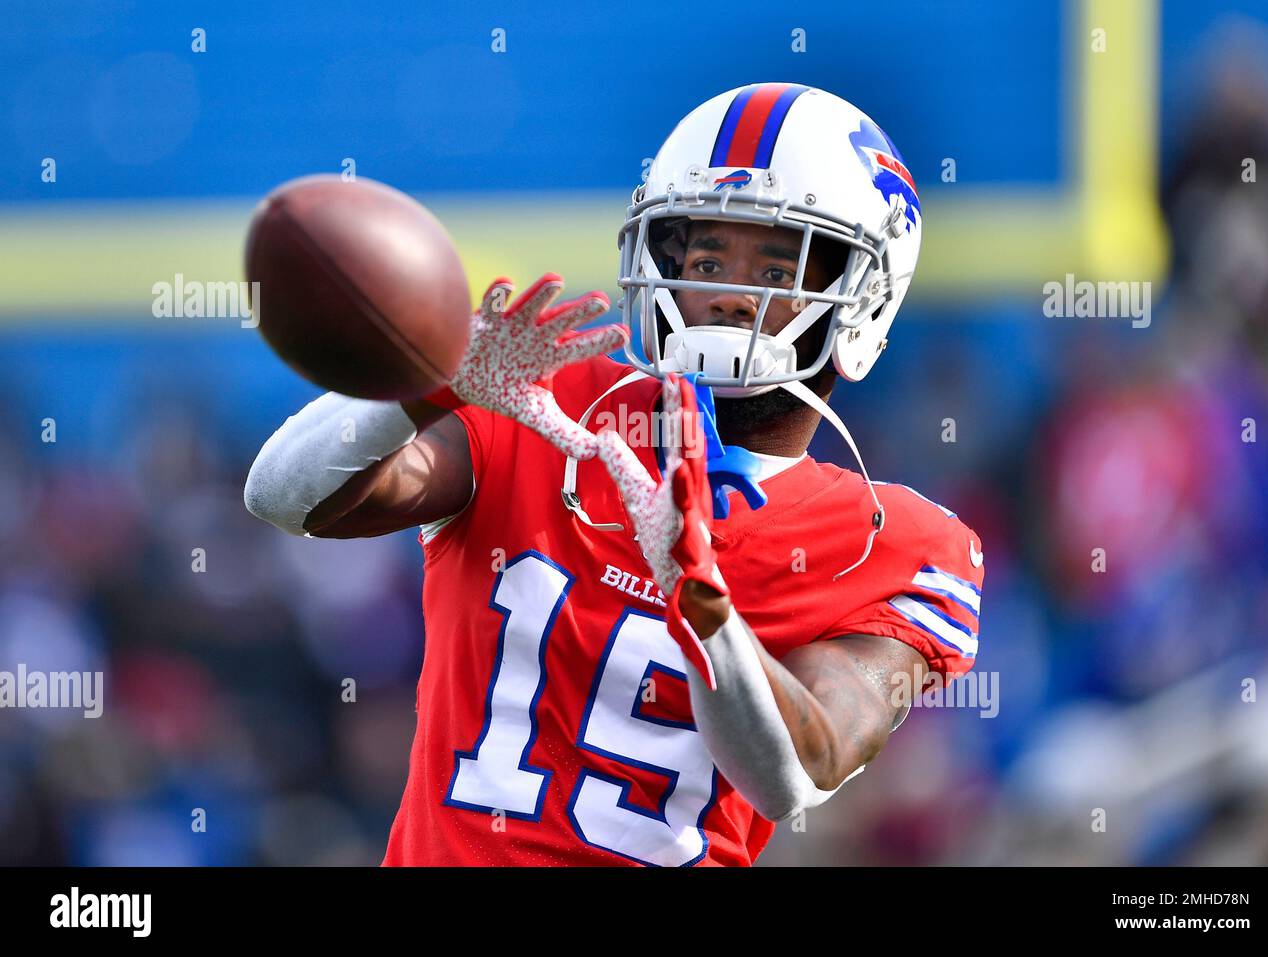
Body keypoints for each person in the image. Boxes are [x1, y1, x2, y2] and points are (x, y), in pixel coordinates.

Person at [243, 83, 983, 866]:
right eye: (704, 257)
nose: (730, 292)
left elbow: (799, 772)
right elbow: (284, 495)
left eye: (778, 262)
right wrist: (435, 376)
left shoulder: (896, 541)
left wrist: (705, 614)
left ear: (861, 297)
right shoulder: (553, 400)